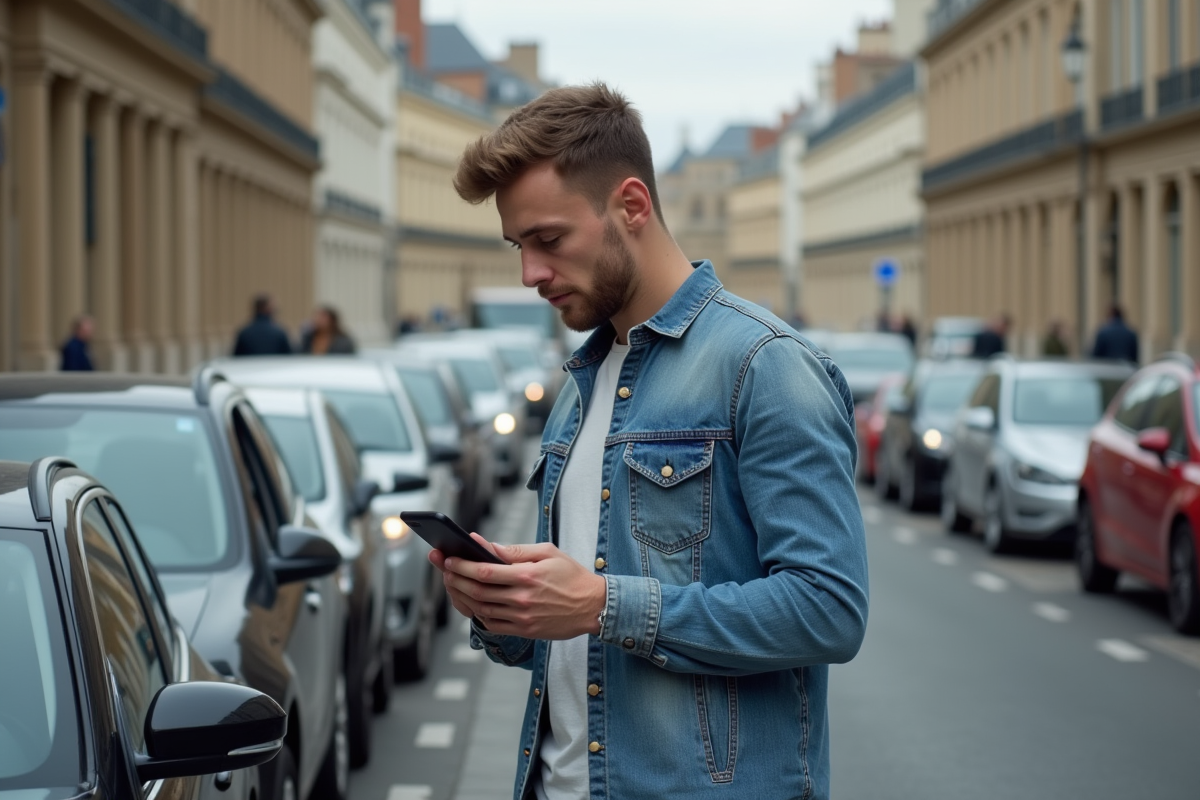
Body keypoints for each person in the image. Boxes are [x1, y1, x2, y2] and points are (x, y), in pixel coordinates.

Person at [431, 83, 868, 800]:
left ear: (631, 206)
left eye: (548, 240)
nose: (529, 274)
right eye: (518, 245)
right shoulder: (581, 382)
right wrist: (505, 608)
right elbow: (575, 643)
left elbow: (829, 610)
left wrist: (603, 602)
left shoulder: (764, 365)